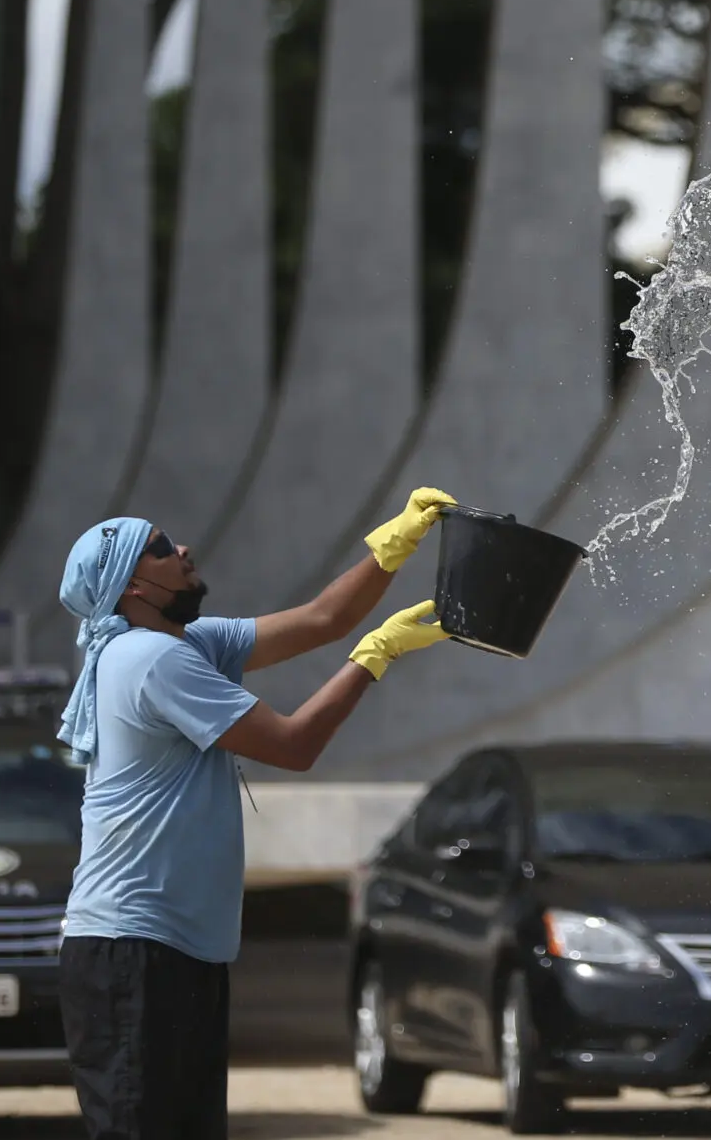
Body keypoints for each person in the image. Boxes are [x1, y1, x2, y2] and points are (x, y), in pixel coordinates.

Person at [52, 488, 460, 1140]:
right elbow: (294, 744)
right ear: (133, 586)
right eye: (161, 547)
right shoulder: (152, 659)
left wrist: (396, 543)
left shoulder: (186, 642)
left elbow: (325, 617)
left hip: (171, 952)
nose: (182, 548)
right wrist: (375, 655)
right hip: (133, 952)